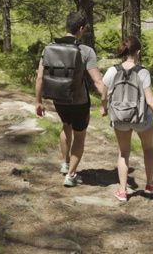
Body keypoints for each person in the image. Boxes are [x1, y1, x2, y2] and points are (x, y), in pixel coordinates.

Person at [35, 12, 105, 187]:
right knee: (79, 135)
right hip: (79, 101)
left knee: (66, 126)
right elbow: (97, 80)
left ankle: (65, 164)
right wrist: (107, 100)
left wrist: (38, 102)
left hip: (58, 98)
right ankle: (71, 175)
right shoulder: (86, 51)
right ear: (81, 28)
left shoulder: (49, 48)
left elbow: (40, 78)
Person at [100, 36, 153, 202]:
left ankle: (123, 191)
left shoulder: (112, 70)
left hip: (119, 117)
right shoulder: (143, 72)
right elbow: (150, 101)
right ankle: (149, 185)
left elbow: (104, 96)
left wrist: (105, 109)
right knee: (148, 149)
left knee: (124, 153)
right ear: (138, 52)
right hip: (141, 118)